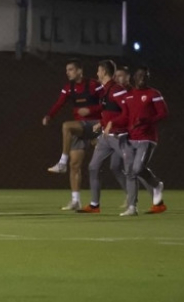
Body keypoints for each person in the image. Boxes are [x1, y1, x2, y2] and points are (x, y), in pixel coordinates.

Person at [42, 59, 103, 211]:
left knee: (66, 126)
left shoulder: (94, 85)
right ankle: (76, 200)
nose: (67, 72)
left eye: (70, 69)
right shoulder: (68, 88)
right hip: (81, 127)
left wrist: (90, 110)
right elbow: (59, 103)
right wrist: (49, 115)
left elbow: (107, 103)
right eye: (67, 70)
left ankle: (62, 162)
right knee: (75, 165)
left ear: (79, 71)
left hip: (95, 125)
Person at [113, 66, 168, 216]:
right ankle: (132, 207)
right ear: (134, 78)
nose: (142, 78)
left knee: (137, 169)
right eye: (140, 75)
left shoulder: (153, 94)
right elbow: (125, 116)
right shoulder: (128, 96)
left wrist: (147, 120)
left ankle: (156, 184)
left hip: (147, 138)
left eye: (145, 76)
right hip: (130, 138)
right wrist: (114, 125)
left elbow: (163, 113)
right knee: (130, 172)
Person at [78, 60, 129, 213]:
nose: (97, 73)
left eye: (98, 70)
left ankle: (155, 190)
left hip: (119, 136)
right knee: (93, 167)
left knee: (135, 168)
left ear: (104, 72)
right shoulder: (106, 90)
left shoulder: (117, 89)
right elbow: (110, 110)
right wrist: (101, 123)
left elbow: (128, 112)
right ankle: (94, 205)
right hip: (106, 137)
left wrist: (112, 123)